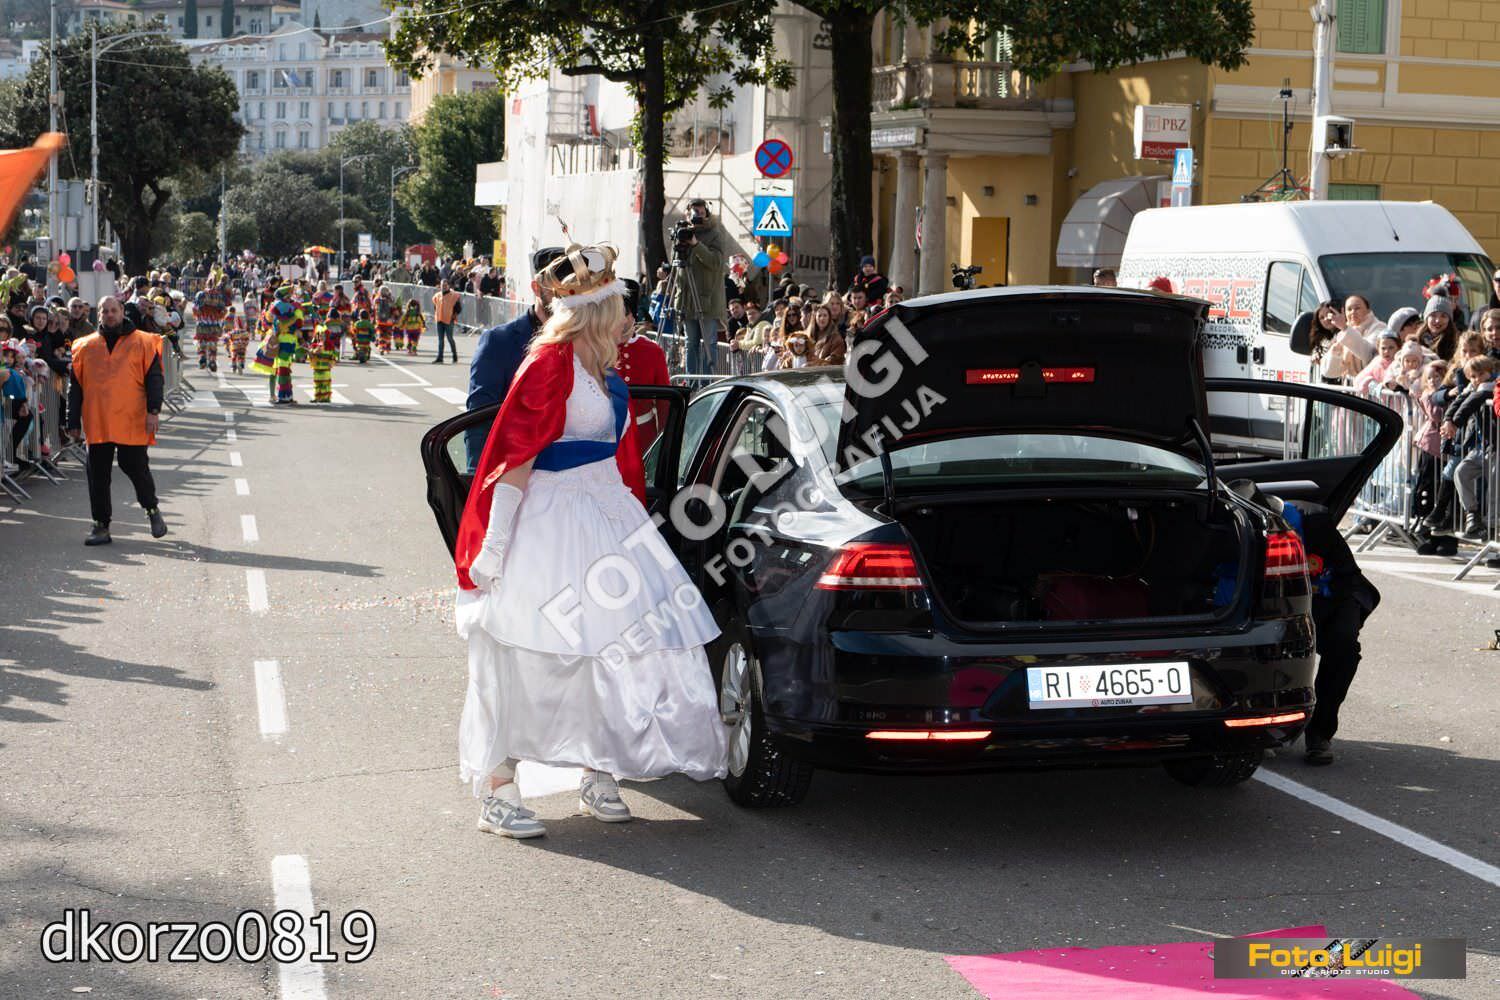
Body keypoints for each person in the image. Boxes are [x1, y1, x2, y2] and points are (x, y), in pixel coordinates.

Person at [452, 242, 726, 838]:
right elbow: (515, 459)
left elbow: (621, 460)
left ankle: (598, 771)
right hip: (549, 523)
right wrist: (493, 548)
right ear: (599, 313)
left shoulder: (606, 370)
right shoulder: (547, 363)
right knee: (526, 656)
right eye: (621, 308)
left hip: (608, 519)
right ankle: (498, 790)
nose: (629, 318)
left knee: (614, 650)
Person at [65, 296, 168, 546]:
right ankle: (101, 525)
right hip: (97, 420)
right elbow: (75, 387)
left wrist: (153, 410)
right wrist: (72, 421)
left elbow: (155, 379)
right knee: (97, 475)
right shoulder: (84, 346)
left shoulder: (144, 342)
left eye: (114, 310)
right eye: (105, 311)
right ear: (98, 314)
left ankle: (152, 509)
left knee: (135, 468)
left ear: (122, 311)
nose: (109, 314)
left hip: (131, 419)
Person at [464, 247, 563, 471]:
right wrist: (475, 477)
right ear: (536, 287)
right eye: (555, 286)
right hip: (515, 473)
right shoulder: (499, 341)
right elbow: (478, 420)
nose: (564, 294)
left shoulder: (587, 342)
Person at [671, 201, 728, 375]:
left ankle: (706, 381)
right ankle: (691, 381)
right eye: (694, 212)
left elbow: (715, 262)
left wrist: (696, 244)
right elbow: (677, 263)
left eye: (701, 213)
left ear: (707, 214)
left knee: (709, 344)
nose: (698, 216)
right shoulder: (682, 232)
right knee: (690, 343)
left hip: (707, 300)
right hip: (687, 300)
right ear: (687, 214)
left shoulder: (714, 234)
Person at [193, 275, 229, 372]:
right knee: (213, 342)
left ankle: (202, 358)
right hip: (214, 323)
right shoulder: (219, 296)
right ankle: (212, 361)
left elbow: (195, 309)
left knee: (201, 341)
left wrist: (199, 316)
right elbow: (224, 310)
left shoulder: (200, 294)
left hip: (202, 323)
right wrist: (218, 317)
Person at [432, 279, 462, 364]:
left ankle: (454, 356)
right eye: (442, 285)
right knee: (440, 339)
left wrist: (454, 315)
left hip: (449, 320)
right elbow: (435, 306)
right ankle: (440, 357)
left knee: (450, 338)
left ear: (448, 286)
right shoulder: (437, 295)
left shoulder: (454, 296)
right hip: (439, 319)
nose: (444, 287)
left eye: (445, 285)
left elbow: (458, 308)